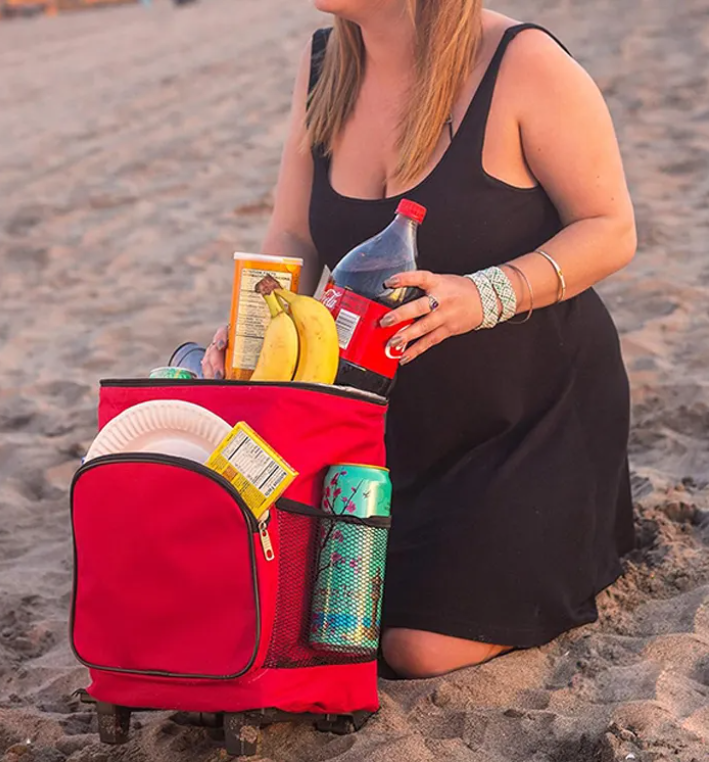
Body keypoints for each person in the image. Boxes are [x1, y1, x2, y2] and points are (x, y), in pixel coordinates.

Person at [203, 0, 636, 679]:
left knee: (417, 649)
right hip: (377, 432)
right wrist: (256, 327)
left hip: (528, 424)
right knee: (293, 618)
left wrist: (486, 295)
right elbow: (293, 232)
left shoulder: (521, 61)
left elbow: (610, 228)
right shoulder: (324, 64)